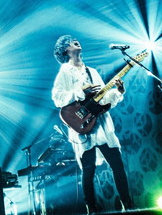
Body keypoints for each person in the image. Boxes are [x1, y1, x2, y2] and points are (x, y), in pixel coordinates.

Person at [51, 35, 134, 214]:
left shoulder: (92, 72)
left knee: (117, 165)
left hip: (100, 124)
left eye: (75, 40)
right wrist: (80, 91)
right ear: (65, 49)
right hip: (83, 126)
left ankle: (127, 206)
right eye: (71, 42)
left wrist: (118, 92)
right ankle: (92, 209)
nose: (76, 41)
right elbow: (57, 98)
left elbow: (103, 99)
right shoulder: (65, 72)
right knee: (88, 170)